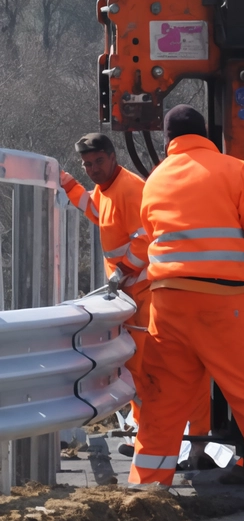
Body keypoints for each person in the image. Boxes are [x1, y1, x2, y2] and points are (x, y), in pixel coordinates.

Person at [130, 104, 244, 508]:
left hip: (168, 303)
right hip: (224, 304)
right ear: (206, 133)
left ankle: (146, 491)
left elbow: (152, 234)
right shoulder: (235, 170)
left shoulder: (154, 181)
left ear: (170, 140)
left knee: (163, 400)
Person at [60, 134, 152, 437]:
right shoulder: (106, 189)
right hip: (128, 292)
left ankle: (151, 431)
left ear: (113, 157)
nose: (94, 169)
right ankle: (143, 427)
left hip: (141, 292)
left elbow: (145, 238)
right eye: (88, 164)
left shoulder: (130, 188)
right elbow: (96, 211)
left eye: (99, 161)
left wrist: (123, 270)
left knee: (143, 366)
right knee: (134, 365)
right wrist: (70, 185)